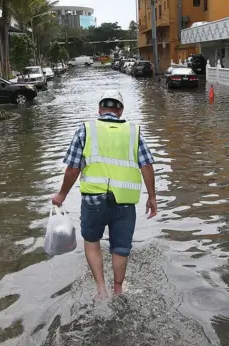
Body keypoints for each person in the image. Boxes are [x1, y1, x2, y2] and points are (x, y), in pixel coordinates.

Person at [52, 90, 158, 298]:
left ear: (100, 109)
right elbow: (147, 166)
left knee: (92, 241)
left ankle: (101, 289)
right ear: (120, 110)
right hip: (125, 202)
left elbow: (73, 169)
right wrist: (152, 196)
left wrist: (61, 195)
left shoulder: (85, 130)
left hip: (93, 200)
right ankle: (118, 289)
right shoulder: (134, 132)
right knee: (120, 247)